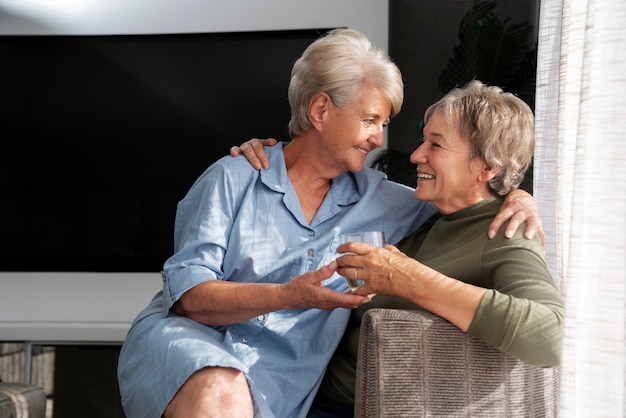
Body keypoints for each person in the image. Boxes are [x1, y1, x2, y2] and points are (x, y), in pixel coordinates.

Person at [117, 29, 541, 418]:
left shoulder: (390, 201)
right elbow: (188, 298)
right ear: (320, 109)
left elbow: (468, 194)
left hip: (281, 380)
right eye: (370, 119)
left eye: (384, 124)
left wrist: (520, 196)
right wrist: (287, 295)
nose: (380, 139)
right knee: (220, 391)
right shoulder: (234, 177)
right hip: (190, 345)